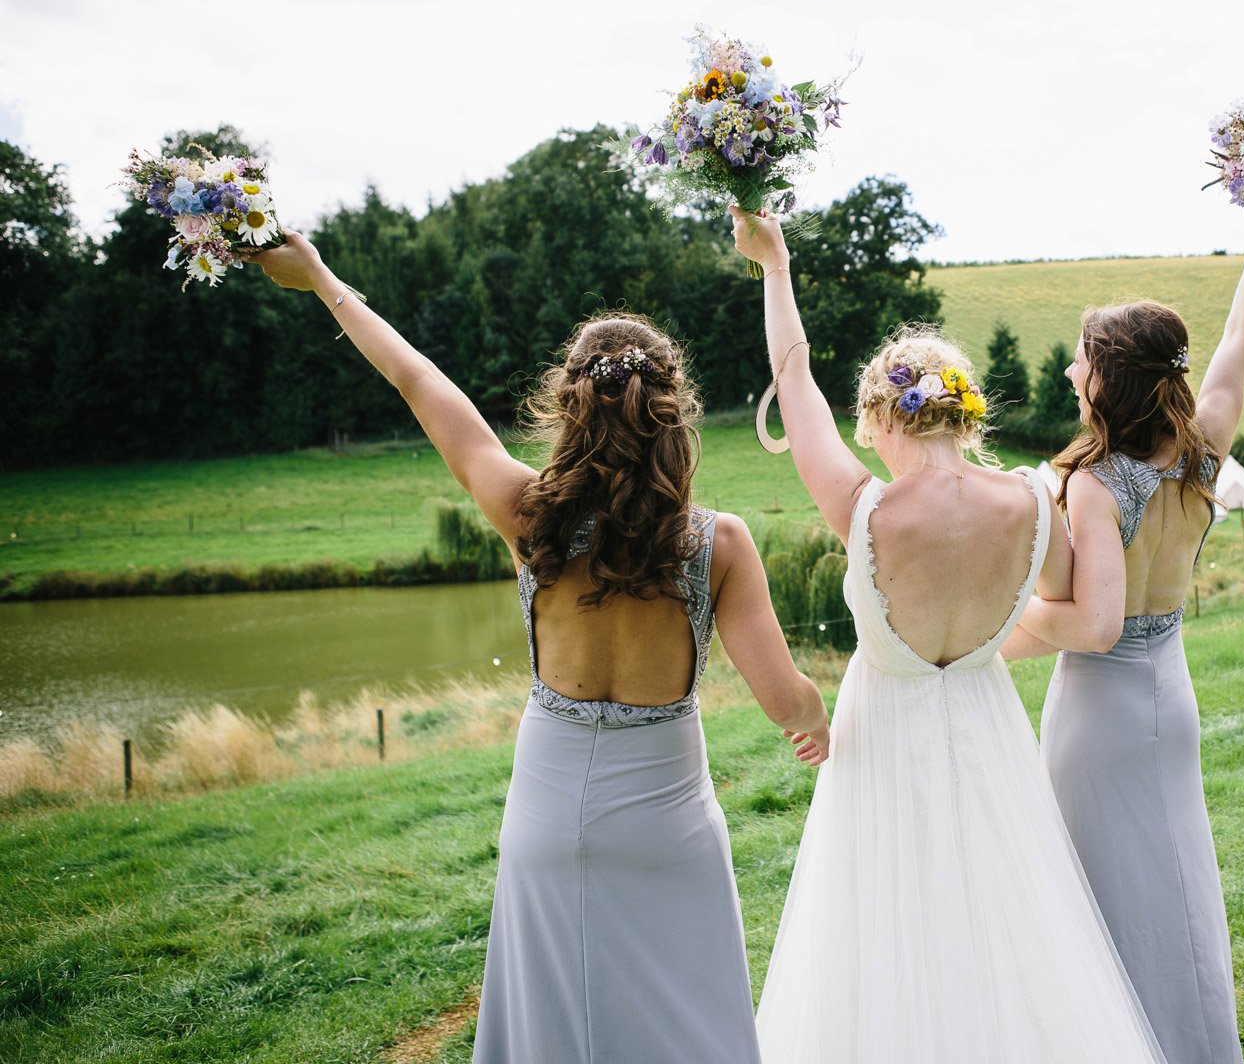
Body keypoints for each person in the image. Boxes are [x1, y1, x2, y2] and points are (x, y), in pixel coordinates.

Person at [251, 231, 829, 1064]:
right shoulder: (717, 543)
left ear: (569, 406)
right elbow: (788, 703)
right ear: (673, 413)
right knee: (684, 1016)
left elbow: (418, 381)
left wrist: (323, 282)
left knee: (552, 1029)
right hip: (667, 825)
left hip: (547, 814)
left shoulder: (529, 513)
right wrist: (821, 721)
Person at [732, 206, 1168, 1064]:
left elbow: (794, 380)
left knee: (878, 934)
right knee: (1006, 921)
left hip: (881, 738)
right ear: (964, 414)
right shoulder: (1034, 500)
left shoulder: (865, 509)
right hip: (988, 727)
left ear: (883, 418)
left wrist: (776, 268)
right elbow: (1065, 605)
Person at [1011, 188, 1244, 1064]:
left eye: (1081, 362)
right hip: (1171, 694)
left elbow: (1093, 627)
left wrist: (993, 631)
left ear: (1112, 380)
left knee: (1107, 899)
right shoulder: (1203, 445)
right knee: (1175, 893)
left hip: (1101, 717)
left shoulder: (1096, 487)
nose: (1069, 374)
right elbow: (1243, 332)